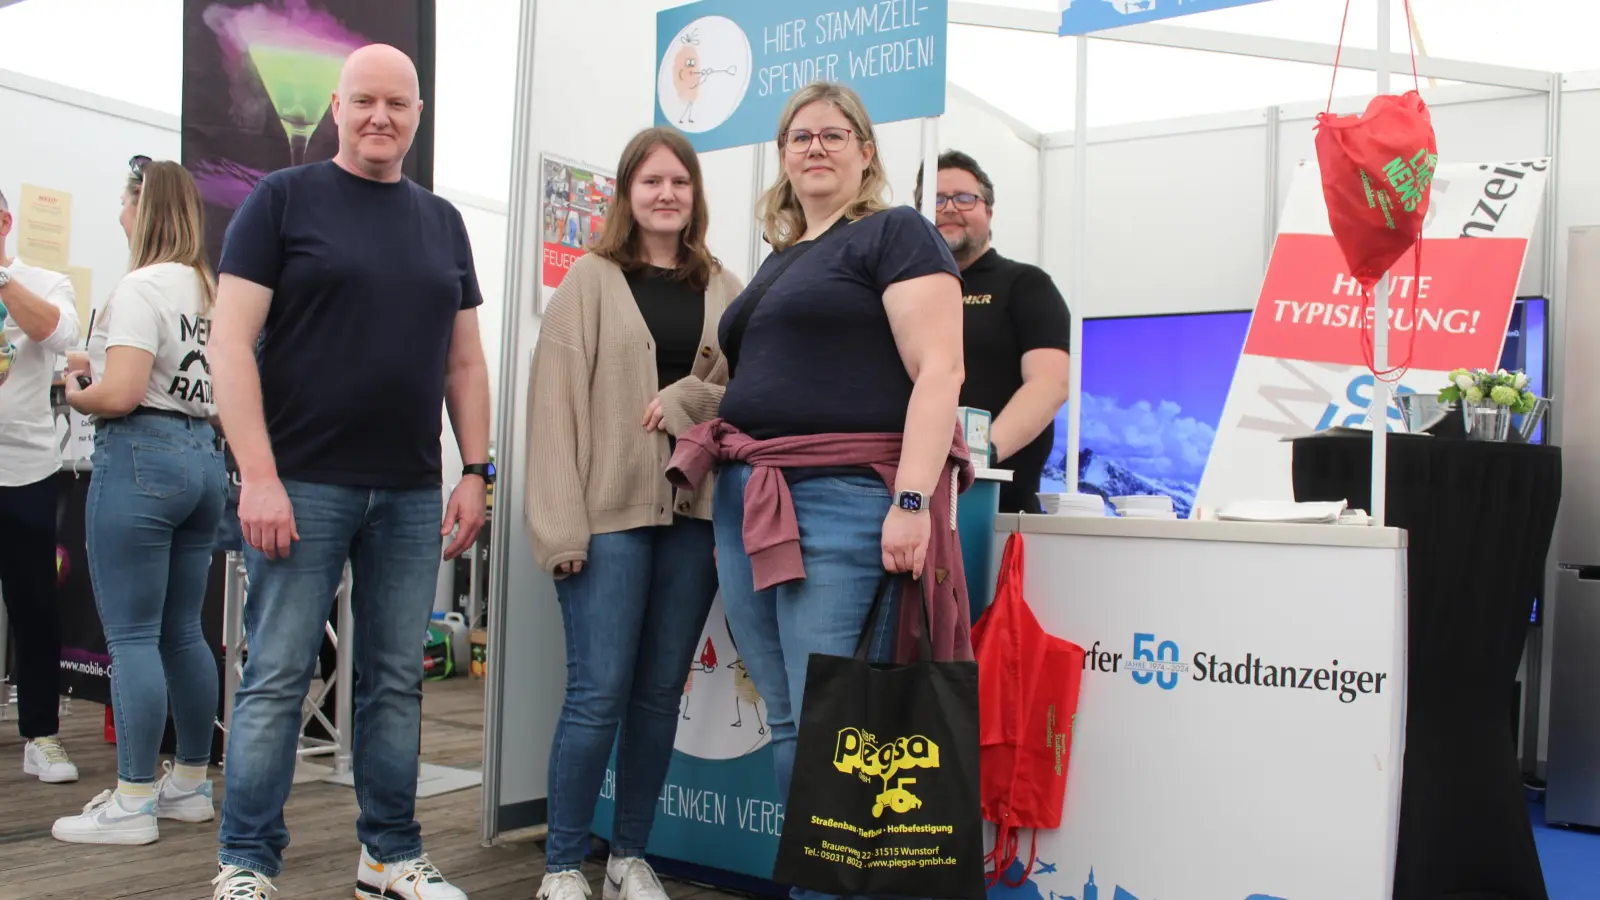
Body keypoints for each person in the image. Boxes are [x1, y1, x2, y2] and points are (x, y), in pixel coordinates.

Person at [663, 81, 975, 900]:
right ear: (783, 156)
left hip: (841, 500)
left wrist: (912, 501)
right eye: (799, 137)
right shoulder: (782, 258)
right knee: (796, 720)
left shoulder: (894, 233)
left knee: (838, 723)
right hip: (750, 500)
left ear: (868, 151)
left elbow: (939, 370)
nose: (815, 148)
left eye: (835, 135)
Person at [207, 44, 490, 900]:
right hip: (301, 485)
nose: (380, 117)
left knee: (396, 682)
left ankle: (388, 855)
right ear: (336, 106)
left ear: (416, 113)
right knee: (278, 675)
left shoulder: (442, 222)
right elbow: (228, 343)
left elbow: (465, 365)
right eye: (364, 100)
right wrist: (257, 475)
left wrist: (475, 470)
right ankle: (247, 864)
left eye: (397, 104)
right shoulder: (280, 200)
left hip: (408, 492)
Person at [526, 126, 743, 900]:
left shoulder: (725, 287)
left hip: (692, 519)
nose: (665, 195)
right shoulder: (588, 281)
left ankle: (630, 856)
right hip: (606, 520)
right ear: (627, 193)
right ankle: (560, 863)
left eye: (679, 182)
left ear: (695, 195)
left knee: (658, 695)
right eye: (650, 182)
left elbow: (754, 397)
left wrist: (691, 397)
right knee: (597, 692)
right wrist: (559, 529)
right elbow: (553, 413)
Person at [54, 158, 227, 845]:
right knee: (184, 631)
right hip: (203, 461)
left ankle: (132, 801)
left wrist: (77, 390)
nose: (119, 216)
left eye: (125, 204)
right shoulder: (209, 290)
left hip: (141, 459)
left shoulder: (139, 287)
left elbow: (120, 393)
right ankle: (188, 783)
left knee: (131, 637)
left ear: (143, 208)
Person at [915, 151, 1072, 514]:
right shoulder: (900, 291)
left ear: (988, 211)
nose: (949, 208)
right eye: (935, 199)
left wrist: (977, 457)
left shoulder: (1026, 285)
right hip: (908, 501)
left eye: (964, 198)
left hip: (995, 507)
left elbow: (1049, 385)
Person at [0, 185, 81, 786]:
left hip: (24, 471)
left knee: (34, 605)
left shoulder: (46, 281)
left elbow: (57, 335)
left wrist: (2, 280)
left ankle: (41, 735)